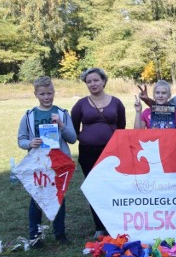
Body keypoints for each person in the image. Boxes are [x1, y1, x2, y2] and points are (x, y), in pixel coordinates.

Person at [18, 77, 77, 247]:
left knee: (59, 198)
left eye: (49, 93)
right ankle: (34, 236)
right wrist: (30, 143)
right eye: (42, 94)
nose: (46, 97)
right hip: (37, 164)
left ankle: (60, 234)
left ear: (54, 92)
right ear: (35, 94)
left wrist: (61, 125)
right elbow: (21, 139)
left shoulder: (62, 113)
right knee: (36, 199)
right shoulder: (29, 115)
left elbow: (72, 138)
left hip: (58, 164)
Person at [72, 68, 126, 238]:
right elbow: (73, 130)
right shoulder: (81, 104)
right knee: (94, 188)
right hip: (88, 152)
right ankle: (100, 227)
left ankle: (115, 223)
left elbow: (121, 127)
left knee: (113, 187)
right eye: (89, 82)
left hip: (112, 153)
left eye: (96, 80)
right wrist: (87, 137)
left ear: (104, 81)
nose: (92, 84)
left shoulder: (116, 102)